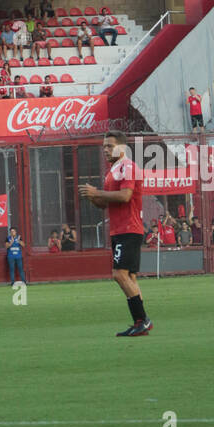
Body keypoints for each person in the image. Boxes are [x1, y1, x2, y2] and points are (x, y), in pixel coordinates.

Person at [79, 131, 152, 337]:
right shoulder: (113, 170)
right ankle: (140, 322)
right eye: (104, 146)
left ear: (122, 147)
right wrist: (92, 196)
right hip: (121, 228)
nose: (105, 149)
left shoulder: (128, 167)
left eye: (109, 146)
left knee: (119, 274)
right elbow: (105, 203)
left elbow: (125, 196)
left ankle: (142, 320)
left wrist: (98, 193)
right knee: (129, 276)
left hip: (129, 227)